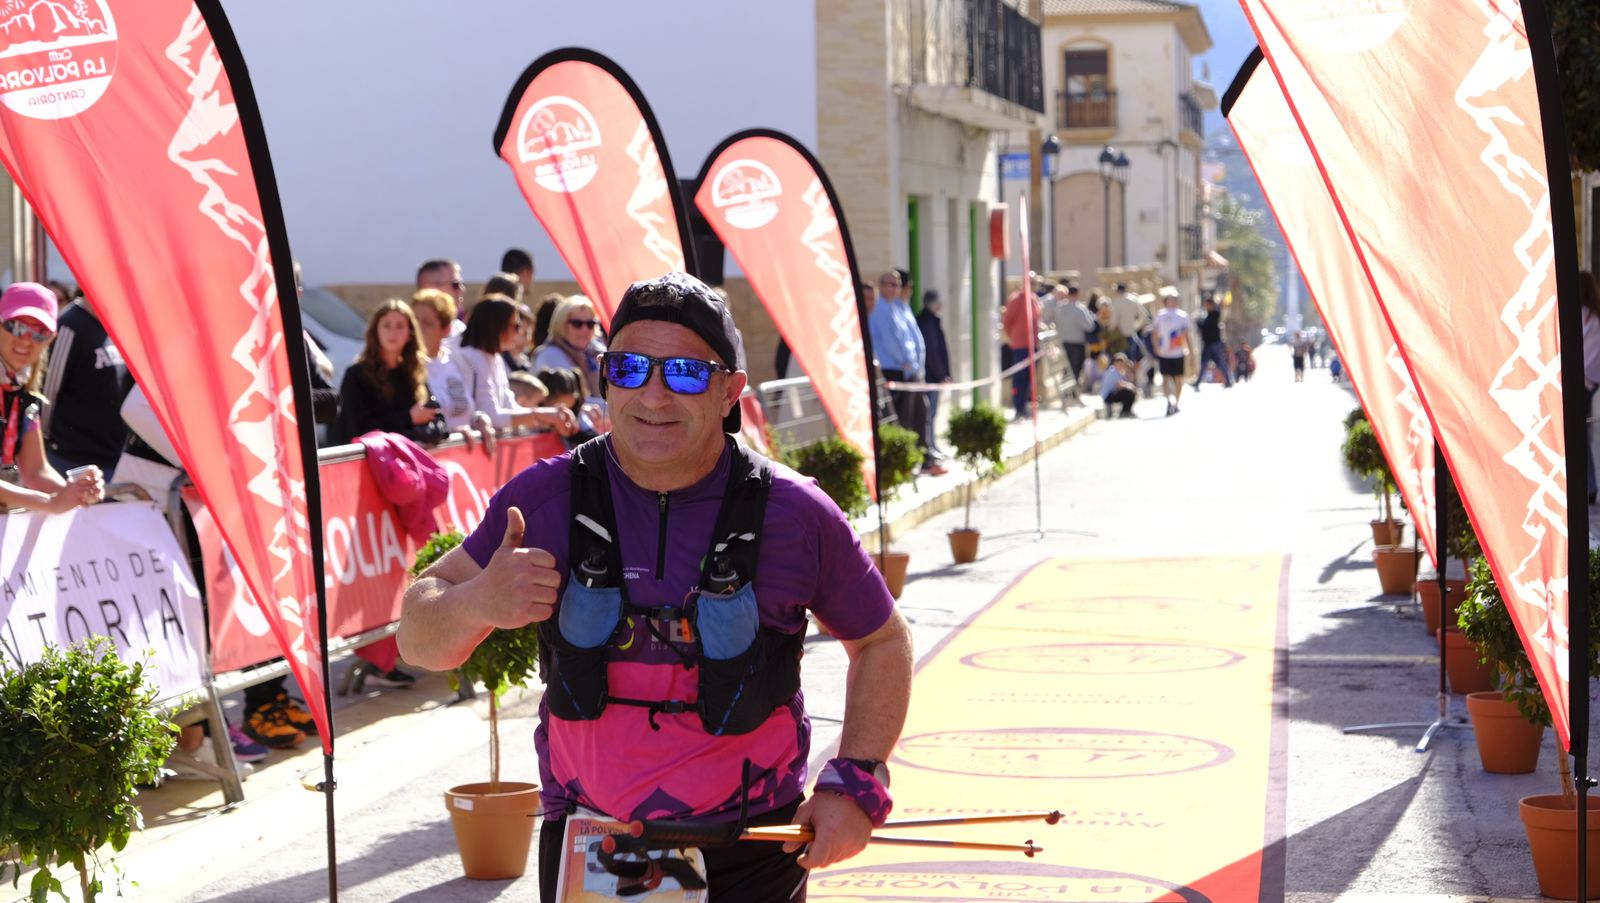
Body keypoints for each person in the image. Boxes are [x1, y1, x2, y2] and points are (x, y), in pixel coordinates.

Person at [399, 272, 913, 901]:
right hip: (596, 843)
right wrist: (476, 600)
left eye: (686, 373)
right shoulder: (544, 499)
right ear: (604, 377)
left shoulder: (794, 511)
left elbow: (882, 642)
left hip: (753, 847)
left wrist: (855, 784)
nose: (654, 394)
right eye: (631, 367)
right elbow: (418, 638)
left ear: (731, 392)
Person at [0, 283, 104, 514]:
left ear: (50, 339)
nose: (27, 340)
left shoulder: (21, 392)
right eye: (17, 327)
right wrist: (49, 503)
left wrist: (77, 492)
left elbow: (36, 470)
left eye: (40, 332)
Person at [456, 294, 577, 437]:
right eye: (516, 326)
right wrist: (543, 415)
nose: (518, 332)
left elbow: (509, 406)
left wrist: (548, 417)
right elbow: (492, 416)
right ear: (497, 326)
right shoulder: (471, 357)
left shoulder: (495, 358)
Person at [40, 291, 130, 478]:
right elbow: (47, 393)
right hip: (72, 459)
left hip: (113, 456)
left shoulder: (115, 323)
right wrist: (46, 442)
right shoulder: (69, 326)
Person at [334, 300, 446, 447]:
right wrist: (408, 418)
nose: (393, 333)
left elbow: (436, 418)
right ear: (376, 331)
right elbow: (356, 429)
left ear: (409, 334)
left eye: (400, 326)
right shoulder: (356, 375)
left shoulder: (414, 373)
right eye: (387, 326)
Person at [869, 270, 942, 474]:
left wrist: (916, 363)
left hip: (910, 373)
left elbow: (912, 339)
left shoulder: (899, 307)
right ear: (881, 286)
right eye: (890, 284)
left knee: (919, 414)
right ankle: (902, 464)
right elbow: (892, 341)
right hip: (894, 371)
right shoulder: (881, 309)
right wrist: (907, 362)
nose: (895, 288)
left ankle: (920, 458)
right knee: (900, 419)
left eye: (897, 285)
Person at [533, 296, 612, 434]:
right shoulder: (551, 354)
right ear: (561, 324)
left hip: (593, 429)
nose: (584, 330)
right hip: (565, 434)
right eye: (577, 324)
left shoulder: (596, 352)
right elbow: (568, 400)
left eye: (590, 324)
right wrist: (612, 409)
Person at [916, 289, 951, 462]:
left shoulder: (930, 320)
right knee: (928, 414)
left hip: (932, 376)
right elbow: (932, 351)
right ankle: (929, 447)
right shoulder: (927, 322)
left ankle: (932, 445)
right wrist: (941, 373)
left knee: (931, 414)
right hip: (931, 377)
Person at [1001, 280, 1041, 421]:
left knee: (1030, 379)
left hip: (1033, 346)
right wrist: (1014, 337)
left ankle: (1026, 406)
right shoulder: (1015, 300)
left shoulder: (1034, 300)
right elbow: (1007, 323)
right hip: (1020, 346)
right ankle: (1019, 408)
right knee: (1020, 378)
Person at [1151, 287, 1191, 416]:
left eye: (1174, 299)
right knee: (1166, 378)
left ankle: (1176, 403)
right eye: (1170, 300)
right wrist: (1156, 347)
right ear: (1166, 301)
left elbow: (1186, 334)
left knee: (1179, 378)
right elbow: (1155, 333)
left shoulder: (1183, 316)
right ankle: (1169, 400)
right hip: (1164, 352)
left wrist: (1190, 350)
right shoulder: (1160, 315)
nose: (1172, 302)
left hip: (1178, 352)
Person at [1053, 284, 1094, 384]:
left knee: (1066, 368)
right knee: (1075, 368)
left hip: (1063, 342)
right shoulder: (1080, 309)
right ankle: (1072, 393)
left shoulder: (1059, 307)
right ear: (1078, 294)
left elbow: (1055, 323)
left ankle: (1066, 391)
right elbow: (1089, 327)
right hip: (1077, 343)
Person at [1191, 294, 1233, 389]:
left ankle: (1228, 380)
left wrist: (1198, 323)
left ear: (1211, 304)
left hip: (1215, 344)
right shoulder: (1208, 315)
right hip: (1208, 344)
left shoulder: (1215, 314)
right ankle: (1197, 383)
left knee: (1220, 363)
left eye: (1207, 304)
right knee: (1204, 364)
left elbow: (1207, 327)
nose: (1205, 306)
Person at [1099, 352, 1138, 419]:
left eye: (1122, 363)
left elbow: (1131, 380)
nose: (1121, 364)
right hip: (1108, 396)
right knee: (1129, 392)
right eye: (1119, 362)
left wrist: (1128, 370)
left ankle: (1127, 410)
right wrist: (1130, 386)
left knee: (1130, 391)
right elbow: (1119, 385)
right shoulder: (1112, 371)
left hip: (1113, 393)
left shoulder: (1119, 372)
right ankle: (1124, 412)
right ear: (1115, 363)